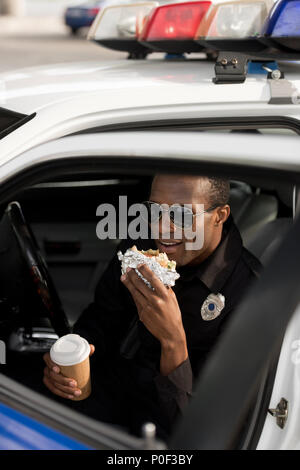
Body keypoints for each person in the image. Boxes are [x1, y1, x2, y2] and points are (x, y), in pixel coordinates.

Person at [42, 174, 261, 439]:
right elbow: (101, 317)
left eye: (181, 216)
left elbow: (204, 431)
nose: (160, 228)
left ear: (219, 216)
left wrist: (173, 341)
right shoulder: (142, 248)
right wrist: (73, 355)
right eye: (154, 210)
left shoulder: (252, 297)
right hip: (113, 387)